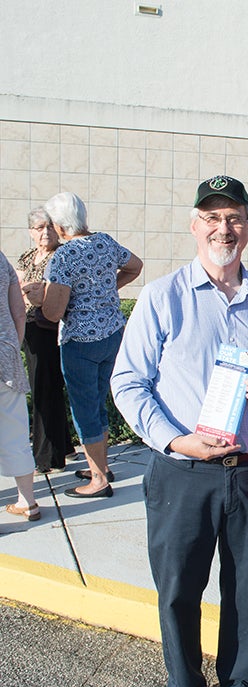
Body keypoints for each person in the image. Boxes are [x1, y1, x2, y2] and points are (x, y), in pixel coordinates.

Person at [111, 175, 248, 687]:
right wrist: (173, 440)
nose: (224, 228)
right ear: (195, 226)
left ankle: (240, 683)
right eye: (212, 217)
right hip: (183, 471)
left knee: (246, 588)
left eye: (234, 217)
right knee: (179, 587)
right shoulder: (162, 297)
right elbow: (127, 382)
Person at [24, 192, 143, 499]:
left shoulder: (63, 257)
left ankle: (99, 479)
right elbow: (135, 266)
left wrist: (40, 297)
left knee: (85, 410)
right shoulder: (104, 241)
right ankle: (99, 465)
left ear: (61, 225)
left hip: (80, 341)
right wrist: (106, 290)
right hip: (112, 335)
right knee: (99, 402)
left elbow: (53, 312)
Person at [16, 208, 75, 474]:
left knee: (45, 387)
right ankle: (63, 445)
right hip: (29, 326)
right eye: (39, 227)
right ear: (31, 232)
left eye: (50, 226)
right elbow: (16, 287)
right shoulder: (27, 256)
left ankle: (47, 457)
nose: (45, 232)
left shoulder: (62, 255)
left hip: (51, 327)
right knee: (45, 384)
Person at [0, 251, 40, 521]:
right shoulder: (1, 259)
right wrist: (14, 344)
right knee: (14, 432)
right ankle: (28, 501)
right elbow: (19, 313)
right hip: (5, 354)